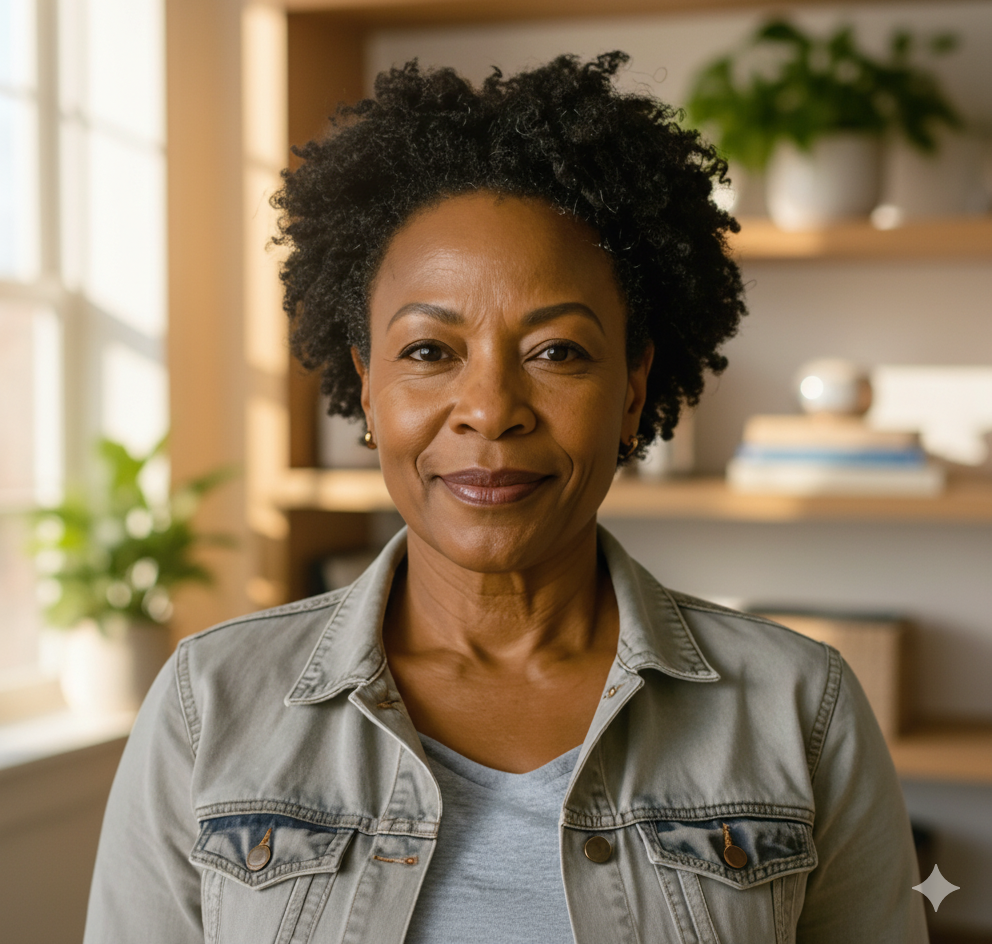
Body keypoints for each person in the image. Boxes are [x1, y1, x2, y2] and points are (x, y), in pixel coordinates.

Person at [84, 53, 927, 943]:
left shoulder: (802, 708)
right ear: (368, 387)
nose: (490, 409)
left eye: (557, 351)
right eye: (427, 352)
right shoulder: (207, 705)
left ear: (634, 390)